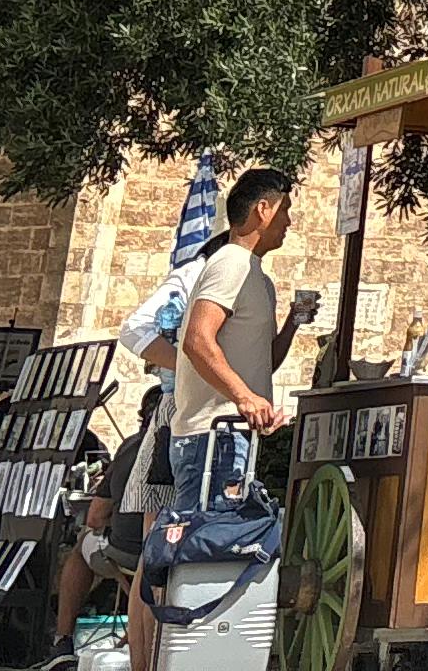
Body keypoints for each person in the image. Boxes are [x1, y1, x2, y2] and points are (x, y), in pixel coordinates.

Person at [126, 170, 292, 671]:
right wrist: (242, 397)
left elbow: (253, 358)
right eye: (285, 209)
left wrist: (291, 329)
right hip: (212, 437)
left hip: (231, 435)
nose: (290, 221)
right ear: (264, 208)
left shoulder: (254, 274)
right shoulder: (229, 264)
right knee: (203, 554)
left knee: (218, 554)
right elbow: (197, 341)